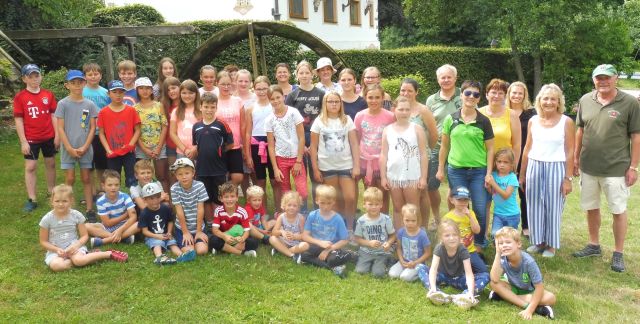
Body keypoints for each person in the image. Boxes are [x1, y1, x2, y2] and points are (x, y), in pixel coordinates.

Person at [572, 64, 640, 272]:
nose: (603, 81)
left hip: (616, 168)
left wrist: (634, 167)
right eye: (598, 78)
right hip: (589, 166)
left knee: (618, 210)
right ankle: (594, 245)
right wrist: (575, 159)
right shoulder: (586, 100)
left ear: (615, 78)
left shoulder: (629, 102)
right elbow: (580, 131)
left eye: (607, 77)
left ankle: (618, 253)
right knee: (591, 208)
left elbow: (636, 136)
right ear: (594, 80)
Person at [437, 80, 494, 251]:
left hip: (478, 171)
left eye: (476, 94)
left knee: (479, 208)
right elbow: (444, 146)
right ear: (461, 95)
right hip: (456, 171)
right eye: (468, 93)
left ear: (479, 98)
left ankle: (479, 245)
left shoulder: (484, 121)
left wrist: (488, 173)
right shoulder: (451, 119)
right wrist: (440, 168)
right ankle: (461, 243)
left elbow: (490, 149)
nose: (471, 97)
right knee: (460, 207)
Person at [521, 84, 574, 258]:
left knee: (553, 206)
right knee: (534, 205)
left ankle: (551, 245)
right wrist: (522, 174)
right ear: (539, 101)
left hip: (556, 167)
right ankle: (538, 241)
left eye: (553, 98)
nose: (549, 102)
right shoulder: (533, 121)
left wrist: (568, 178)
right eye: (545, 98)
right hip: (534, 166)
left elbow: (570, 151)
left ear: (559, 101)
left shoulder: (566, 121)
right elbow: (527, 148)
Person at [39, 184, 128, 271]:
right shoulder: (47, 219)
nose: (61, 204)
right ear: (52, 201)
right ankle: (87, 257)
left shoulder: (76, 215)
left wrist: (75, 246)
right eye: (57, 201)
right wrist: (56, 249)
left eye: (64, 201)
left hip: (74, 246)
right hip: (55, 251)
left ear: (71, 201)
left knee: (79, 260)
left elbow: (84, 236)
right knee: (57, 266)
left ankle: (108, 254)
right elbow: (43, 241)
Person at [310, 91, 360, 231]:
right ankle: (339, 229)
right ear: (325, 104)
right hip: (327, 166)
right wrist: (315, 168)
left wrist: (356, 166)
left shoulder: (347, 120)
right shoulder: (319, 121)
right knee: (335, 200)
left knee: (350, 197)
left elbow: (354, 144)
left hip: (346, 165)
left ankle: (350, 227)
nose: (333, 104)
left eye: (336, 102)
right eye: (330, 102)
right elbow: (313, 147)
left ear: (340, 103)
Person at [14, 63, 58, 212]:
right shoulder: (21, 97)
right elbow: (19, 120)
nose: (34, 79)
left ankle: (51, 191)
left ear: (41, 76)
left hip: (48, 136)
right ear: (24, 79)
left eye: (36, 75)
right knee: (31, 167)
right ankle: (32, 198)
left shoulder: (48, 95)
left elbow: (53, 115)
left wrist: (57, 135)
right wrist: (23, 141)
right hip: (31, 138)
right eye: (30, 76)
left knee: (51, 163)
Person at [55, 70, 98, 220]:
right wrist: (68, 148)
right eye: (73, 83)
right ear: (67, 85)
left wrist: (85, 146)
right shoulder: (62, 104)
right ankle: (68, 209)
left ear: (84, 83)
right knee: (70, 178)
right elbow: (60, 127)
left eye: (80, 82)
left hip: (85, 148)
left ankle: (90, 209)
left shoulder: (90, 104)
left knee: (86, 178)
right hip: (68, 148)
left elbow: (92, 127)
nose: (77, 86)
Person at [416, 220, 487, 309]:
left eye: (454, 235)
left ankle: (465, 296)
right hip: (442, 277)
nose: (451, 238)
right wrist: (433, 287)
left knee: (485, 276)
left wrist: (470, 291)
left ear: (459, 236)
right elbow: (433, 270)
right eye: (447, 235)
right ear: (441, 238)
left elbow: (469, 274)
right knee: (420, 267)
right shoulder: (439, 248)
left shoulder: (463, 250)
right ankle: (436, 293)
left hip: (459, 279)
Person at [381, 96, 428, 228]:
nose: (404, 112)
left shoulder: (417, 129)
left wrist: (423, 177)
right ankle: (399, 237)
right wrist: (384, 177)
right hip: (393, 176)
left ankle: (416, 236)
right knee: (397, 208)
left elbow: (423, 154)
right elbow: (384, 155)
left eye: (407, 109)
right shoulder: (387, 130)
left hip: (412, 176)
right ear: (394, 110)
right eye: (401, 109)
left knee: (413, 207)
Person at [489, 227, 556, 320]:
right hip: (513, 288)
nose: (504, 245)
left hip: (530, 292)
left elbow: (539, 288)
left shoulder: (528, 262)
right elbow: (494, 279)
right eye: (500, 243)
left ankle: (505, 296)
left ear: (518, 244)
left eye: (508, 242)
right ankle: (529, 306)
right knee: (493, 284)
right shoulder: (502, 257)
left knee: (551, 298)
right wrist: (497, 254)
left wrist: (530, 310)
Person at [285, 60, 325, 210]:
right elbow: (288, 121)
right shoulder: (292, 95)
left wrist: (313, 144)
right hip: (299, 140)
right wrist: (302, 145)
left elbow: (325, 117)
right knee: (301, 178)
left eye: (307, 72)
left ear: (312, 74)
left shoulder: (321, 94)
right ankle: (302, 210)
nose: (304, 75)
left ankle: (318, 208)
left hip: (317, 138)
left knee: (316, 175)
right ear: (297, 75)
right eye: (301, 73)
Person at [426, 64, 462, 223]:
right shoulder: (431, 100)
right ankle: (437, 219)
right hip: (437, 147)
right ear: (438, 79)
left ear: (455, 78)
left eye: (449, 77)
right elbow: (426, 123)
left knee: (456, 187)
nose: (446, 80)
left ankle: (454, 219)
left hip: (460, 148)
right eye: (443, 77)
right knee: (431, 185)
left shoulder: (464, 94)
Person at [401, 78, 438, 228]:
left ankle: (423, 227)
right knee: (406, 193)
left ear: (416, 92)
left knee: (422, 193)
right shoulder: (397, 108)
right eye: (403, 90)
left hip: (422, 159)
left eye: (410, 90)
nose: (406, 93)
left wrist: (426, 150)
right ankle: (408, 224)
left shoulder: (423, 110)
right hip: (403, 160)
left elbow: (434, 134)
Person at [193, 92, 234, 222]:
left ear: (216, 107)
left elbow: (231, 144)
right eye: (206, 106)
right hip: (202, 170)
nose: (209, 110)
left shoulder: (222, 125)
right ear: (200, 107)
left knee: (220, 198)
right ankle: (210, 223)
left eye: (212, 107)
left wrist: (219, 151)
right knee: (205, 198)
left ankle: (221, 221)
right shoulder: (196, 127)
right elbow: (196, 146)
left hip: (219, 169)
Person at [354, 84, 395, 215]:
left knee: (383, 194)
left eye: (377, 97)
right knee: (370, 194)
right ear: (365, 97)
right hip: (366, 161)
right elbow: (357, 138)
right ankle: (371, 221)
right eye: (370, 97)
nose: (374, 100)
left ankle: (384, 220)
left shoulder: (390, 116)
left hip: (383, 161)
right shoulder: (360, 116)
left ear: (383, 98)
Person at [265, 85, 307, 207]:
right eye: (272, 99)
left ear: (283, 97)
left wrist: (299, 161)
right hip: (281, 159)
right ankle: (289, 216)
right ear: (269, 100)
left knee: (302, 191)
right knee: (285, 191)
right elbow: (271, 146)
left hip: (296, 158)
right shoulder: (269, 120)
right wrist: (275, 168)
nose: (276, 101)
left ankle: (302, 212)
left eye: (278, 97)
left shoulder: (294, 113)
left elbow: (301, 137)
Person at [300, 185, 353, 278]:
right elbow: (305, 236)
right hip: (317, 246)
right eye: (322, 203)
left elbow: (345, 240)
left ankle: (349, 254)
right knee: (303, 255)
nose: (325, 206)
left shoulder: (337, 219)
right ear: (316, 200)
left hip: (332, 247)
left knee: (332, 260)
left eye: (329, 203)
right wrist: (319, 242)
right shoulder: (312, 215)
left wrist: (328, 249)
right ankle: (333, 268)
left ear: (334, 202)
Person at [138, 182, 196, 265]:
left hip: (165, 234)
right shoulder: (144, 213)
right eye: (151, 198)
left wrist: (169, 232)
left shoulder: (165, 208)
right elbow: (145, 231)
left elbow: (170, 221)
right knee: (157, 243)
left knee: (172, 243)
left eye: (157, 197)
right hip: (152, 236)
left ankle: (181, 255)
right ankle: (159, 256)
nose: (155, 201)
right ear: (144, 200)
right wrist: (157, 236)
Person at [245, 76, 280, 209]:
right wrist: (248, 155)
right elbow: (248, 132)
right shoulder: (251, 109)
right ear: (254, 90)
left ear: (269, 88)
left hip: (272, 145)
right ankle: (262, 213)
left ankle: (278, 211)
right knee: (260, 182)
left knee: (275, 181)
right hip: (256, 146)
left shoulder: (274, 107)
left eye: (264, 88)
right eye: (258, 89)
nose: (261, 92)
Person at [97, 80, 141, 188]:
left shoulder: (131, 110)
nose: (118, 94)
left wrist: (131, 145)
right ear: (108, 94)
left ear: (124, 93)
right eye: (114, 92)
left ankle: (133, 202)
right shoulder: (103, 112)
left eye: (121, 92)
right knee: (113, 179)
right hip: (112, 152)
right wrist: (108, 150)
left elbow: (138, 130)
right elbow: (101, 133)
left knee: (132, 180)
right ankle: (115, 202)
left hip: (128, 152)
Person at [506, 81, 536, 237]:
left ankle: (526, 225)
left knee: (525, 193)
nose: (516, 96)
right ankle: (506, 226)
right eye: (514, 93)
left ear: (525, 95)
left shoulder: (532, 113)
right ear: (509, 94)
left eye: (520, 93)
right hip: (505, 159)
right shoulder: (503, 112)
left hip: (526, 158)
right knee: (506, 192)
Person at [86, 170, 139, 247]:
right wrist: (125, 215)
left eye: (116, 185)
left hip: (124, 225)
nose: (113, 188)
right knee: (86, 226)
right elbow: (107, 223)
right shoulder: (100, 201)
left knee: (139, 224)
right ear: (103, 186)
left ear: (119, 185)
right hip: (108, 227)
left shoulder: (125, 197)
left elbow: (133, 217)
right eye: (110, 185)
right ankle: (123, 238)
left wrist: (120, 230)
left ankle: (104, 241)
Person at [134, 77, 169, 192]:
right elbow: (135, 131)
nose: (145, 91)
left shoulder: (159, 106)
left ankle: (166, 201)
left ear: (151, 90)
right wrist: (144, 149)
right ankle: (145, 202)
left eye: (148, 88)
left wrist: (159, 147)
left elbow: (164, 126)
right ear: (137, 90)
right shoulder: (134, 109)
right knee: (143, 177)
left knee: (162, 176)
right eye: (141, 88)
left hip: (159, 146)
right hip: (142, 148)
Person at [442, 186, 486, 275]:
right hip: (454, 251)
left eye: (465, 200)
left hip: (470, 251)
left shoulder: (471, 213)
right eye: (459, 200)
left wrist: (470, 217)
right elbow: (443, 238)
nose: (462, 203)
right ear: (452, 200)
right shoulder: (448, 217)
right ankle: (463, 270)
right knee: (451, 272)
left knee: (483, 271)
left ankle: (468, 268)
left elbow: (477, 231)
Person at [170, 158, 209, 255]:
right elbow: (179, 211)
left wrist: (199, 231)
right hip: (182, 227)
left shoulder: (200, 186)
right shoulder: (174, 188)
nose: (184, 177)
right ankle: (184, 240)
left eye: (187, 173)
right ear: (176, 176)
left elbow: (200, 209)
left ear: (193, 173)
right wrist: (185, 232)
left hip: (198, 226)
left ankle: (199, 238)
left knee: (201, 251)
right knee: (189, 251)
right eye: (180, 174)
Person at [82, 63, 110, 203]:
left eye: (96, 74)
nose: (93, 77)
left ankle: (102, 189)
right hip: (86, 133)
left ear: (101, 75)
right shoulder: (82, 92)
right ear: (85, 76)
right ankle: (91, 190)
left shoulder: (105, 92)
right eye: (90, 74)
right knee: (89, 164)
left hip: (101, 133)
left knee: (101, 164)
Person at [353, 187, 396, 278]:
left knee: (378, 274)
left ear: (381, 205)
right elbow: (357, 238)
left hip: (382, 252)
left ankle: (387, 261)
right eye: (370, 204)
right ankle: (366, 261)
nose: (373, 207)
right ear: (364, 204)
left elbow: (393, 235)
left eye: (377, 204)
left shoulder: (386, 219)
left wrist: (388, 243)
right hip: (366, 251)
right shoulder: (361, 221)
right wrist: (368, 243)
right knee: (360, 271)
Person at [209, 182, 259, 257]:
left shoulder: (242, 212)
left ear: (237, 198)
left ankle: (224, 249)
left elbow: (246, 231)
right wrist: (224, 236)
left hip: (237, 238)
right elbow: (215, 230)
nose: (229, 200)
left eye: (232, 196)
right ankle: (240, 253)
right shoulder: (218, 211)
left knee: (254, 242)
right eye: (226, 197)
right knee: (213, 240)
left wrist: (242, 239)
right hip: (224, 237)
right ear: (221, 199)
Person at [215, 71, 246, 190]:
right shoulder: (213, 101)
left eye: (228, 84)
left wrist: (243, 143)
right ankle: (222, 201)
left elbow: (243, 124)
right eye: (223, 84)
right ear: (217, 83)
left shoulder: (237, 101)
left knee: (237, 177)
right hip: (219, 146)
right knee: (220, 176)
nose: (226, 87)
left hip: (235, 145)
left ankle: (228, 195)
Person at [389, 204, 431, 282]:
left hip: (417, 263)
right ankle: (405, 270)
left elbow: (428, 253)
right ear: (403, 220)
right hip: (404, 261)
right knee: (392, 274)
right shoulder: (401, 232)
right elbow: (398, 248)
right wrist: (401, 260)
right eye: (407, 220)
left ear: (418, 220)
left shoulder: (422, 234)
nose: (410, 223)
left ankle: (421, 271)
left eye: (413, 221)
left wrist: (415, 262)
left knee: (405, 277)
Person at [488, 149, 520, 237]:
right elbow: (493, 193)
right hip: (498, 213)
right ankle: (499, 250)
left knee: (510, 238)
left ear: (511, 164)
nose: (502, 164)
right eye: (499, 161)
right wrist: (488, 187)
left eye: (506, 162)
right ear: (495, 162)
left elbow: (506, 195)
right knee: (495, 235)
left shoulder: (512, 178)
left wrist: (493, 184)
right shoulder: (493, 175)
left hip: (512, 215)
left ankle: (514, 250)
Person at [269, 191, 309, 261]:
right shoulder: (281, 217)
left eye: (294, 206)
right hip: (284, 241)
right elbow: (273, 232)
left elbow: (304, 236)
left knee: (305, 245)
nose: (291, 208)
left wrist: (294, 236)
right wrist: (282, 232)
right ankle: (292, 255)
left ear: (298, 207)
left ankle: (281, 250)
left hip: (296, 243)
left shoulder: (300, 218)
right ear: (284, 206)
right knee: (272, 238)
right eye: (289, 205)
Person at [169, 79, 202, 160]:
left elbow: (205, 131)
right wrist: (185, 149)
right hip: (182, 152)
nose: (187, 96)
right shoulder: (176, 111)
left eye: (191, 93)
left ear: (196, 94)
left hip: (200, 150)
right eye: (184, 93)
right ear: (180, 94)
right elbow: (172, 133)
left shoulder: (202, 110)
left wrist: (196, 148)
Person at [160, 76, 181, 184]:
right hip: (171, 144)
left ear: (180, 87)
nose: (171, 91)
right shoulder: (164, 106)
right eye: (168, 90)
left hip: (185, 144)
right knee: (173, 173)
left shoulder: (186, 103)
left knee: (188, 173)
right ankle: (173, 200)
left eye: (173, 88)